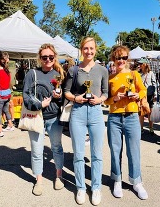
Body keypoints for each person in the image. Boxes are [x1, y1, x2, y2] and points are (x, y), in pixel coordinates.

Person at [64, 36, 108, 205]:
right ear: (81, 50)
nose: (89, 51)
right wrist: (76, 98)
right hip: (78, 113)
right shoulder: (73, 70)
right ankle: (81, 187)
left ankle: (96, 187)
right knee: (78, 154)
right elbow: (66, 91)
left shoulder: (102, 70)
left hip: (96, 113)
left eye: (91, 48)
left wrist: (100, 100)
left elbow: (105, 92)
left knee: (97, 154)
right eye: (86, 48)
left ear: (95, 49)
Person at [105, 45, 148, 200]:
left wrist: (137, 95)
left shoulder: (134, 74)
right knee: (115, 151)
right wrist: (114, 99)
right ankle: (117, 180)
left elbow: (143, 90)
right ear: (113, 60)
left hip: (131, 116)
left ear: (127, 59)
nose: (121, 60)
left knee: (134, 151)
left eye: (124, 57)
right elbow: (106, 100)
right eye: (118, 58)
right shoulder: (110, 78)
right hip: (114, 118)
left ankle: (136, 181)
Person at [22, 43, 65, 196]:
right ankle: (38, 179)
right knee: (36, 150)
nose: (48, 59)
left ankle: (58, 176)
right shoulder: (32, 73)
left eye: (51, 57)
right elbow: (25, 95)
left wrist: (60, 98)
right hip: (36, 117)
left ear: (55, 57)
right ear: (40, 58)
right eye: (44, 57)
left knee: (56, 148)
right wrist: (40, 104)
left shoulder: (59, 74)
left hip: (54, 118)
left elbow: (64, 99)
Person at [138, 58, 157, 135]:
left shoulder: (151, 73)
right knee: (142, 113)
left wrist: (155, 94)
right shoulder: (139, 74)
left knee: (150, 113)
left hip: (150, 95)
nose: (139, 65)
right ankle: (141, 128)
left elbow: (154, 84)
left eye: (141, 64)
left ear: (145, 64)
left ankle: (151, 128)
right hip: (142, 96)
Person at [0, 51, 15, 137]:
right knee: (5, 110)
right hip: (7, 95)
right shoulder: (7, 71)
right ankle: (10, 125)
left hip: (0, 95)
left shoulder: (0, 72)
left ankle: (0, 131)